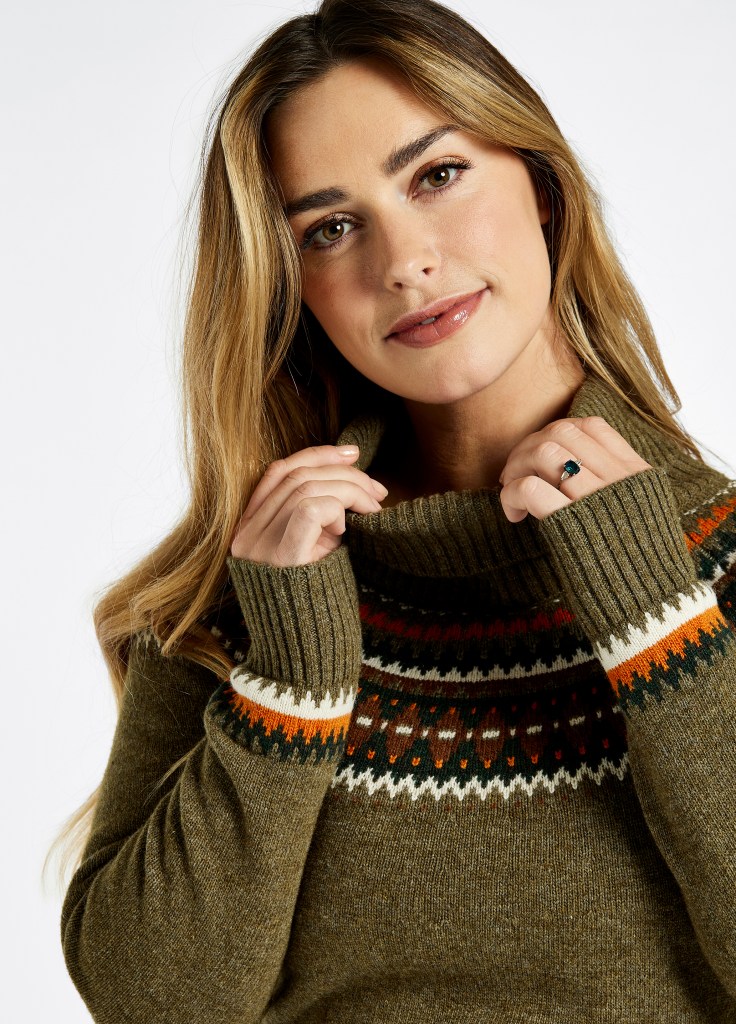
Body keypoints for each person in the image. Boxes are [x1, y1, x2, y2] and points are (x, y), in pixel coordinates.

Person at [58, 0, 736, 1019]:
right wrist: (290, 683)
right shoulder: (250, 589)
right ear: (292, 289)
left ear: (543, 185)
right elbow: (150, 1002)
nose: (403, 261)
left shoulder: (718, 557)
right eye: (331, 228)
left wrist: (659, 624)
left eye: (437, 175)